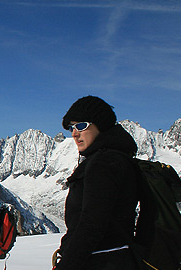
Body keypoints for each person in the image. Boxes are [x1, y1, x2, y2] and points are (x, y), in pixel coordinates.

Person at [54, 96, 140, 270]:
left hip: (101, 261)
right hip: (113, 259)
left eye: (81, 126)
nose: (74, 133)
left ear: (100, 124)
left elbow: (92, 224)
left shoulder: (104, 162)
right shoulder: (114, 157)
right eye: (71, 127)